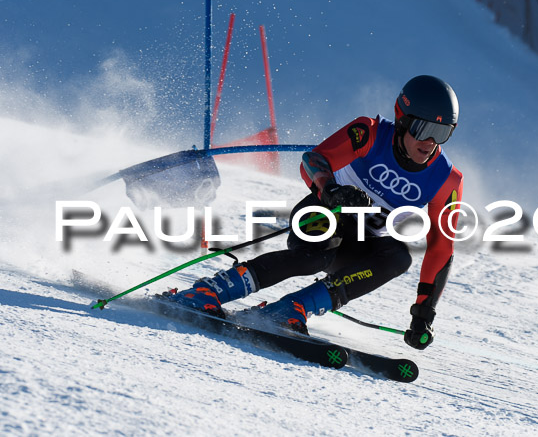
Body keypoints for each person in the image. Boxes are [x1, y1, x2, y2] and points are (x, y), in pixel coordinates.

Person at [170, 75, 463, 350]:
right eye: (423, 129)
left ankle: (291, 309)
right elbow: (314, 159)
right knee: (317, 254)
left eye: (442, 133)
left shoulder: (446, 179)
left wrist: (424, 312)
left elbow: (441, 247)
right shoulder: (370, 133)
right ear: (402, 120)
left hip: (359, 244)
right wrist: (330, 190)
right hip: (321, 215)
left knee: (399, 257)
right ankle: (211, 290)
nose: (430, 142)